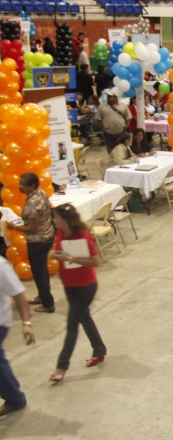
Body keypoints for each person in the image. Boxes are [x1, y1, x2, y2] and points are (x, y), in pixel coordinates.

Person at [47, 204, 107, 382]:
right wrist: (55, 254)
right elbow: (59, 250)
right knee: (84, 317)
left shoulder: (82, 236)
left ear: (64, 220)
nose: (53, 220)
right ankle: (99, 350)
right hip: (69, 284)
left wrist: (70, 258)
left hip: (85, 286)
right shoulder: (59, 233)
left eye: (56, 217)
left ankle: (62, 365)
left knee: (72, 324)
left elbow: (95, 261)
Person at [5, 173, 55, 314]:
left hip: (38, 241)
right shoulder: (40, 193)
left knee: (39, 273)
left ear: (32, 186)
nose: (19, 186)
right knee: (42, 270)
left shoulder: (33, 203)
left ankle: (48, 304)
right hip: (47, 236)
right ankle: (42, 295)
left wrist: (15, 227)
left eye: (22, 184)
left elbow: (32, 228)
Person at [0, 254, 35, 416]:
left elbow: (19, 294)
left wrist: (26, 324)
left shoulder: (1, 265)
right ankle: (15, 398)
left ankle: (15, 399)